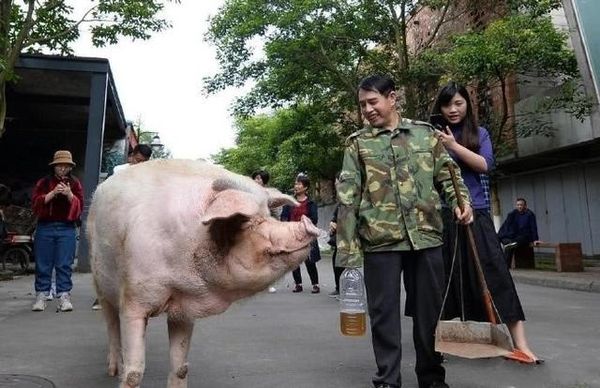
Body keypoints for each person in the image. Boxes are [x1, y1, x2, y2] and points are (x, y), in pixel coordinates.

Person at [336, 74, 473, 388]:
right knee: (384, 315)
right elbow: (347, 198)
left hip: (426, 236)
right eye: (362, 105)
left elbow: (449, 176)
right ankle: (388, 379)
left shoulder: (426, 136)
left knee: (429, 314)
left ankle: (431, 377)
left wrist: (460, 202)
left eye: (373, 102)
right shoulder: (357, 144)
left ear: (392, 98)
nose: (368, 110)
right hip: (379, 241)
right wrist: (348, 251)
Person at [431, 82, 541, 364]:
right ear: (440, 108)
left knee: (498, 275)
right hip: (445, 215)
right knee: (442, 280)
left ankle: (521, 345)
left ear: (467, 103)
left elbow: (485, 164)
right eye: (447, 105)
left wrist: (453, 145)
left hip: (477, 213)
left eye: (458, 103)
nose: (453, 110)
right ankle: (435, 343)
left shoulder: (479, 134)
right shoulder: (431, 137)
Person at [91, 143, 153, 310]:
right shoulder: (118, 171)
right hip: (114, 221)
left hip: (136, 224)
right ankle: (102, 297)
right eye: (138, 160)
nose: (139, 165)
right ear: (131, 157)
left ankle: (131, 297)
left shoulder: (149, 176)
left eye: (144, 162)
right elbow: (104, 192)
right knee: (109, 258)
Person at [31, 150, 84, 312]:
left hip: (66, 228)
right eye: (59, 165)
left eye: (66, 166)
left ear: (70, 167)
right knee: (43, 263)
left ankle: (64, 295)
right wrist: (53, 193)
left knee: (64, 264)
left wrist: (69, 194)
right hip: (45, 226)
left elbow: (79, 207)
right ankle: (42, 295)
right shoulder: (44, 182)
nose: (62, 168)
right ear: (54, 166)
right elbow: (36, 205)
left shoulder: (75, 183)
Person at [281, 173, 320, 294]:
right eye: (295, 184)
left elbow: (314, 219)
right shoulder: (289, 203)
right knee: (294, 261)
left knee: (310, 261)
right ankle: (298, 284)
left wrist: (304, 222)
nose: (296, 186)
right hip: (293, 235)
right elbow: (284, 217)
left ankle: (315, 284)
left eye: (299, 184)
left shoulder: (311, 203)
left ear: (305, 187)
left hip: (307, 235)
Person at [251, 169, 278, 293]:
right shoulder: (249, 193)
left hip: (265, 229)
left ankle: (268, 283)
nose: (256, 180)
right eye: (255, 178)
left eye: (259, 178)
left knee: (268, 257)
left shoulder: (268, 194)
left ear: (264, 181)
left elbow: (274, 211)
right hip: (252, 229)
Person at [498, 197, 541, 268]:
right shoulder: (513, 213)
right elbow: (506, 225)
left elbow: (533, 227)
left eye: (521, 205)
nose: (519, 206)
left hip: (525, 237)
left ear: (525, 206)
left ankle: (505, 266)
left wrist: (535, 239)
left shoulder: (529, 214)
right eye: (518, 205)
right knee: (508, 243)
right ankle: (505, 265)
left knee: (510, 246)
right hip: (514, 236)